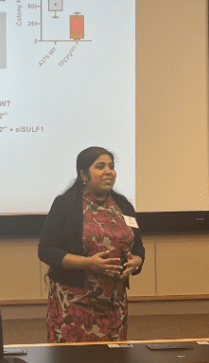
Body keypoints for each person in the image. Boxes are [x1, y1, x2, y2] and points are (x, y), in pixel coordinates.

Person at [38, 146, 145, 342]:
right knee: (72, 358)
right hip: (73, 303)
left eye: (111, 166)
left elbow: (138, 247)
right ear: (83, 174)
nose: (108, 171)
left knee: (113, 358)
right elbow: (46, 250)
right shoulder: (66, 204)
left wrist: (136, 261)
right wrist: (88, 263)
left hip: (114, 304)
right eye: (100, 166)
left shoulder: (124, 205)